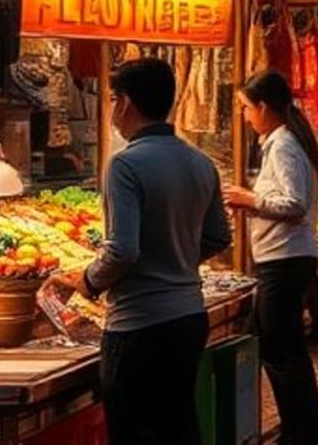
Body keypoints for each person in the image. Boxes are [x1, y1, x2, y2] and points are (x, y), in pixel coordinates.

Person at [63, 57, 232, 445]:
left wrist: (88, 282)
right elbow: (219, 237)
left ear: (125, 102)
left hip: (139, 325)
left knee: (136, 432)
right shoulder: (200, 162)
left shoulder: (125, 165)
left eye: (112, 99)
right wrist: (176, 256)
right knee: (179, 426)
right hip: (189, 317)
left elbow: (122, 251)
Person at [223, 72, 318, 444]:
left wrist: (250, 200)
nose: (245, 116)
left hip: (285, 260)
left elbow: (294, 204)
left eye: (247, 108)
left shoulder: (284, 144)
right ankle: (306, 433)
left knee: (281, 353)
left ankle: (300, 435)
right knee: (287, 351)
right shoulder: (283, 141)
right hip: (286, 258)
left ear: (264, 107)